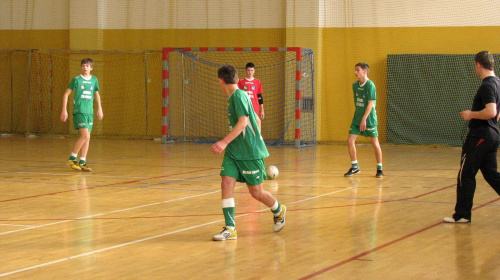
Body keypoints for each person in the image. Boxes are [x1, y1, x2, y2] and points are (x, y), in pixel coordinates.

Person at [211, 64, 286, 241]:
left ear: (221, 81)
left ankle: (278, 209)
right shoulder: (235, 96)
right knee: (226, 183)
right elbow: (256, 119)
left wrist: (223, 141)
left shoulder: (238, 96)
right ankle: (230, 228)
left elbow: (243, 123)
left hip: (249, 152)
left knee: (256, 192)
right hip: (234, 151)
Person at [443, 51, 500, 223]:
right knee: (490, 174)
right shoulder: (498, 83)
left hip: (480, 136)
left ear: (478, 65)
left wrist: (471, 114)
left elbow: (491, 111)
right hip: (493, 135)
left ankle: (462, 214)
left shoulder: (487, 85)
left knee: (466, 174)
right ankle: (463, 213)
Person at [60, 58, 103, 172]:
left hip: (90, 111)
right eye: (83, 65)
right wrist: (64, 110)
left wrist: (100, 108)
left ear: (91, 68)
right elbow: (66, 94)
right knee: (84, 136)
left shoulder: (94, 80)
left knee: (87, 137)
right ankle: (72, 158)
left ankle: (82, 161)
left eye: (87, 66)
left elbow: (97, 94)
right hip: (80, 111)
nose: (85, 67)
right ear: (81, 67)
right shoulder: (76, 80)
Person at [344, 63, 383, 178]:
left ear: (364, 71)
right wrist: (359, 119)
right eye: (355, 70)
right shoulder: (355, 86)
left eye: (357, 70)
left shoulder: (370, 86)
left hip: (369, 119)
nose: (355, 72)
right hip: (357, 118)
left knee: (375, 143)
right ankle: (355, 167)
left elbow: (370, 104)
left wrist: (364, 119)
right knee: (350, 141)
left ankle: (379, 168)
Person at [238, 62, 264, 132]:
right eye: (248, 70)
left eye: (252, 70)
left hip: (254, 107)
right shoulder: (240, 81)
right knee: (244, 125)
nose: (250, 72)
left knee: (255, 124)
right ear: (245, 71)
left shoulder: (258, 82)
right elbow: (238, 95)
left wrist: (262, 110)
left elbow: (260, 97)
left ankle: (258, 140)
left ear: (254, 71)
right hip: (243, 106)